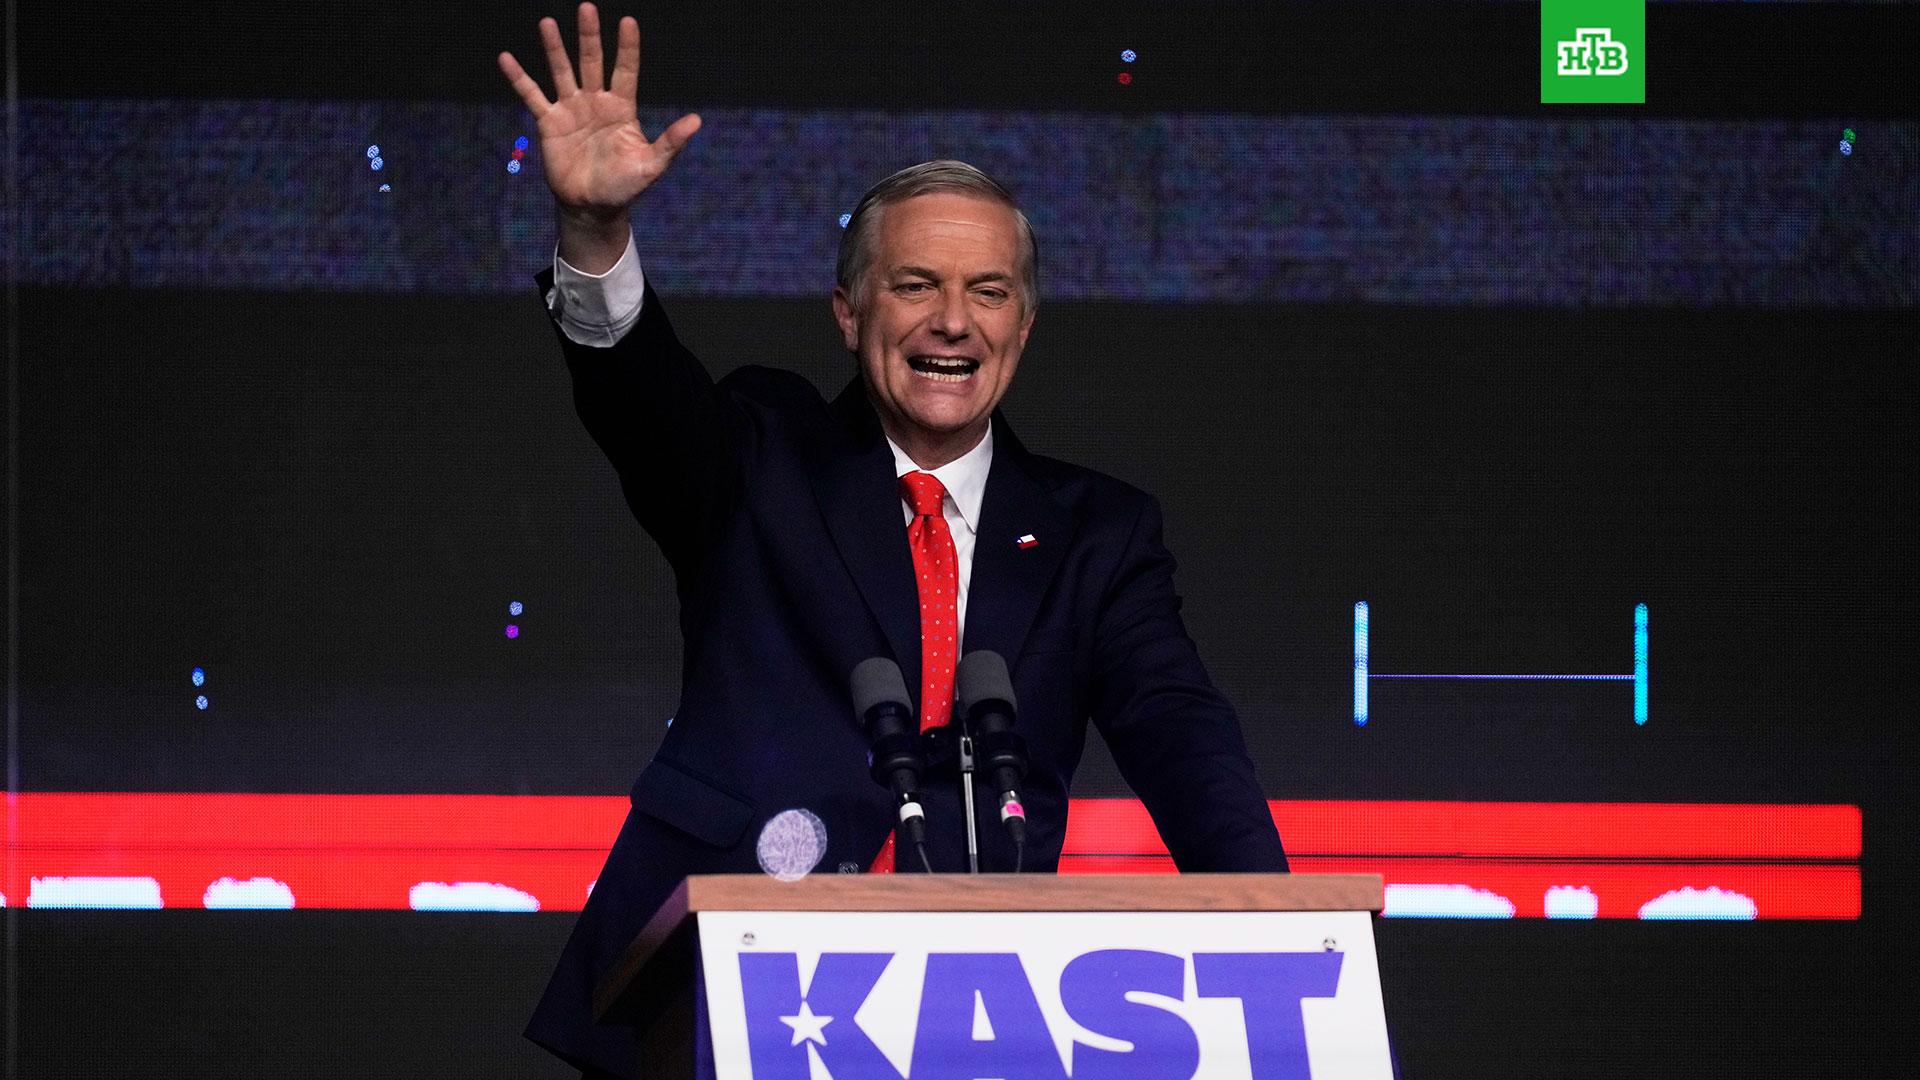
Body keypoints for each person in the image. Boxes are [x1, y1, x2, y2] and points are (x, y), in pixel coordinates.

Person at [500, 5, 1289, 1075]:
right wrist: (594, 234)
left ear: (1023, 327)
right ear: (848, 312)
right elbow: (643, 405)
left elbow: (1183, 738)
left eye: (987, 292)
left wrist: (1281, 932)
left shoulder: (1096, 534)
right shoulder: (762, 457)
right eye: (915, 285)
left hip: (971, 1008)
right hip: (719, 985)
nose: (952, 321)